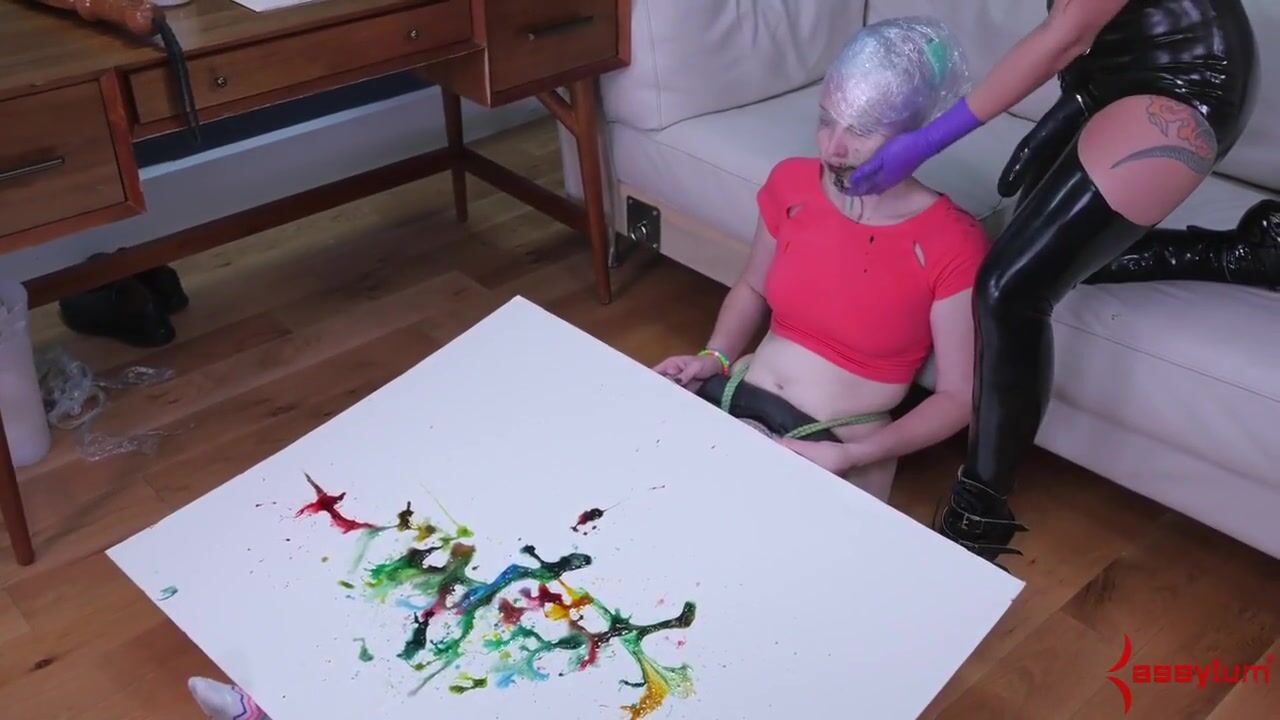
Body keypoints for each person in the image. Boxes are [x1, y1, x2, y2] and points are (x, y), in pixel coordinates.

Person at [842, 0, 1261, 566]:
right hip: (1104, 67)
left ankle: (982, 513)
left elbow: (1065, 32)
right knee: (1052, 253)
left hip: (1184, 83)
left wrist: (926, 142)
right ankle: (1243, 255)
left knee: (1010, 287)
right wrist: (1079, 89)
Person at [654, 18, 991, 504]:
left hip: (840, 444)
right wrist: (713, 358)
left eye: (862, 129)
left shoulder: (951, 241)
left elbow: (957, 398)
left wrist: (855, 456)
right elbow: (752, 287)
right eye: (826, 119)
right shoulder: (791, 185)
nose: (834, 147)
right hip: (739, 398)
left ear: (916, 133)